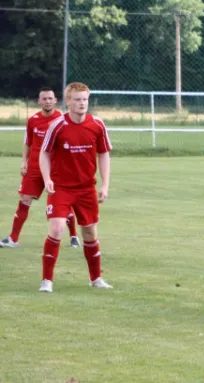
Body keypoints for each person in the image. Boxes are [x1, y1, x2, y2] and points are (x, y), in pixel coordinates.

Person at [38, 82, 113, 293]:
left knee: (89, 233)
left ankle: (96, 279)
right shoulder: (58, 126)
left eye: (85, 99)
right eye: (77, 100)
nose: (82, 103)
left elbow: (104, 154)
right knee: (57, 228)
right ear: (68, 102)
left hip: (86, 189)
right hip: (61, 187)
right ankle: (47, 281)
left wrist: (105, 184)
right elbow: (44, 152)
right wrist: (47, 178)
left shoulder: (97, 125)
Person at [0, 88, 80, 249]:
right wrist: (24, 162)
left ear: (56, 100)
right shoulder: (32, 120)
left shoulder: (62, 120)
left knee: (63, 202)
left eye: (50, 98)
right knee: (25, 199)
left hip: (57, 169)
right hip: (35, 167)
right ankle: (13, 239)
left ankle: (73, 236)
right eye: (44, 99)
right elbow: (28, 143)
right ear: (39, 101)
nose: (47, 101)